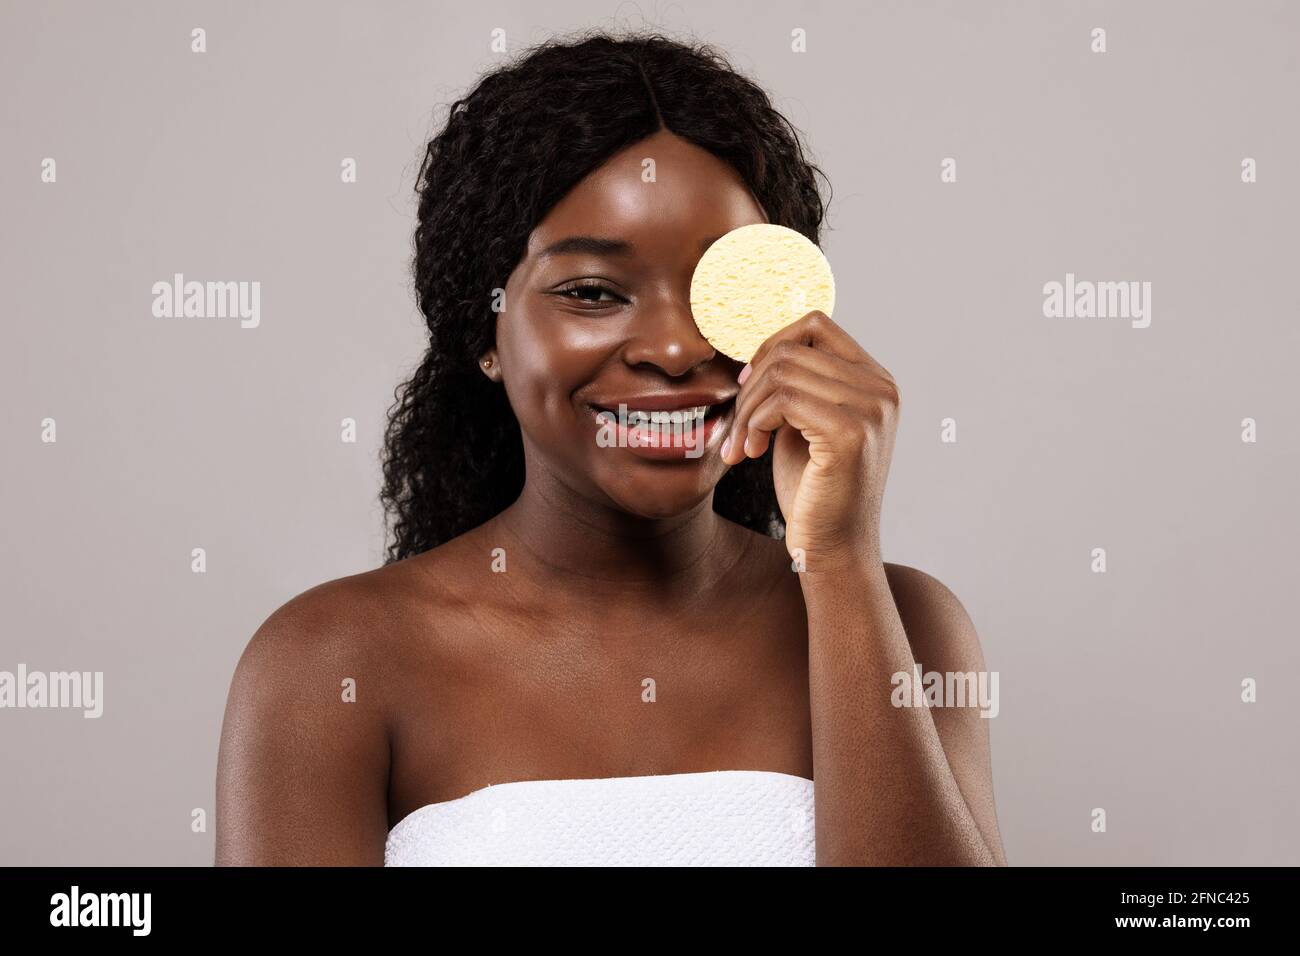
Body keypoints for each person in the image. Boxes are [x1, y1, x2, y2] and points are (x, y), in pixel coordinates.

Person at [215, 31, 1006, 867]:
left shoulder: (908, 627)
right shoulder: (328, 662)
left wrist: (841, 563)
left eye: (721, 293)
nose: (671, 349)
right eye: (591, 292)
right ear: (483, 333)